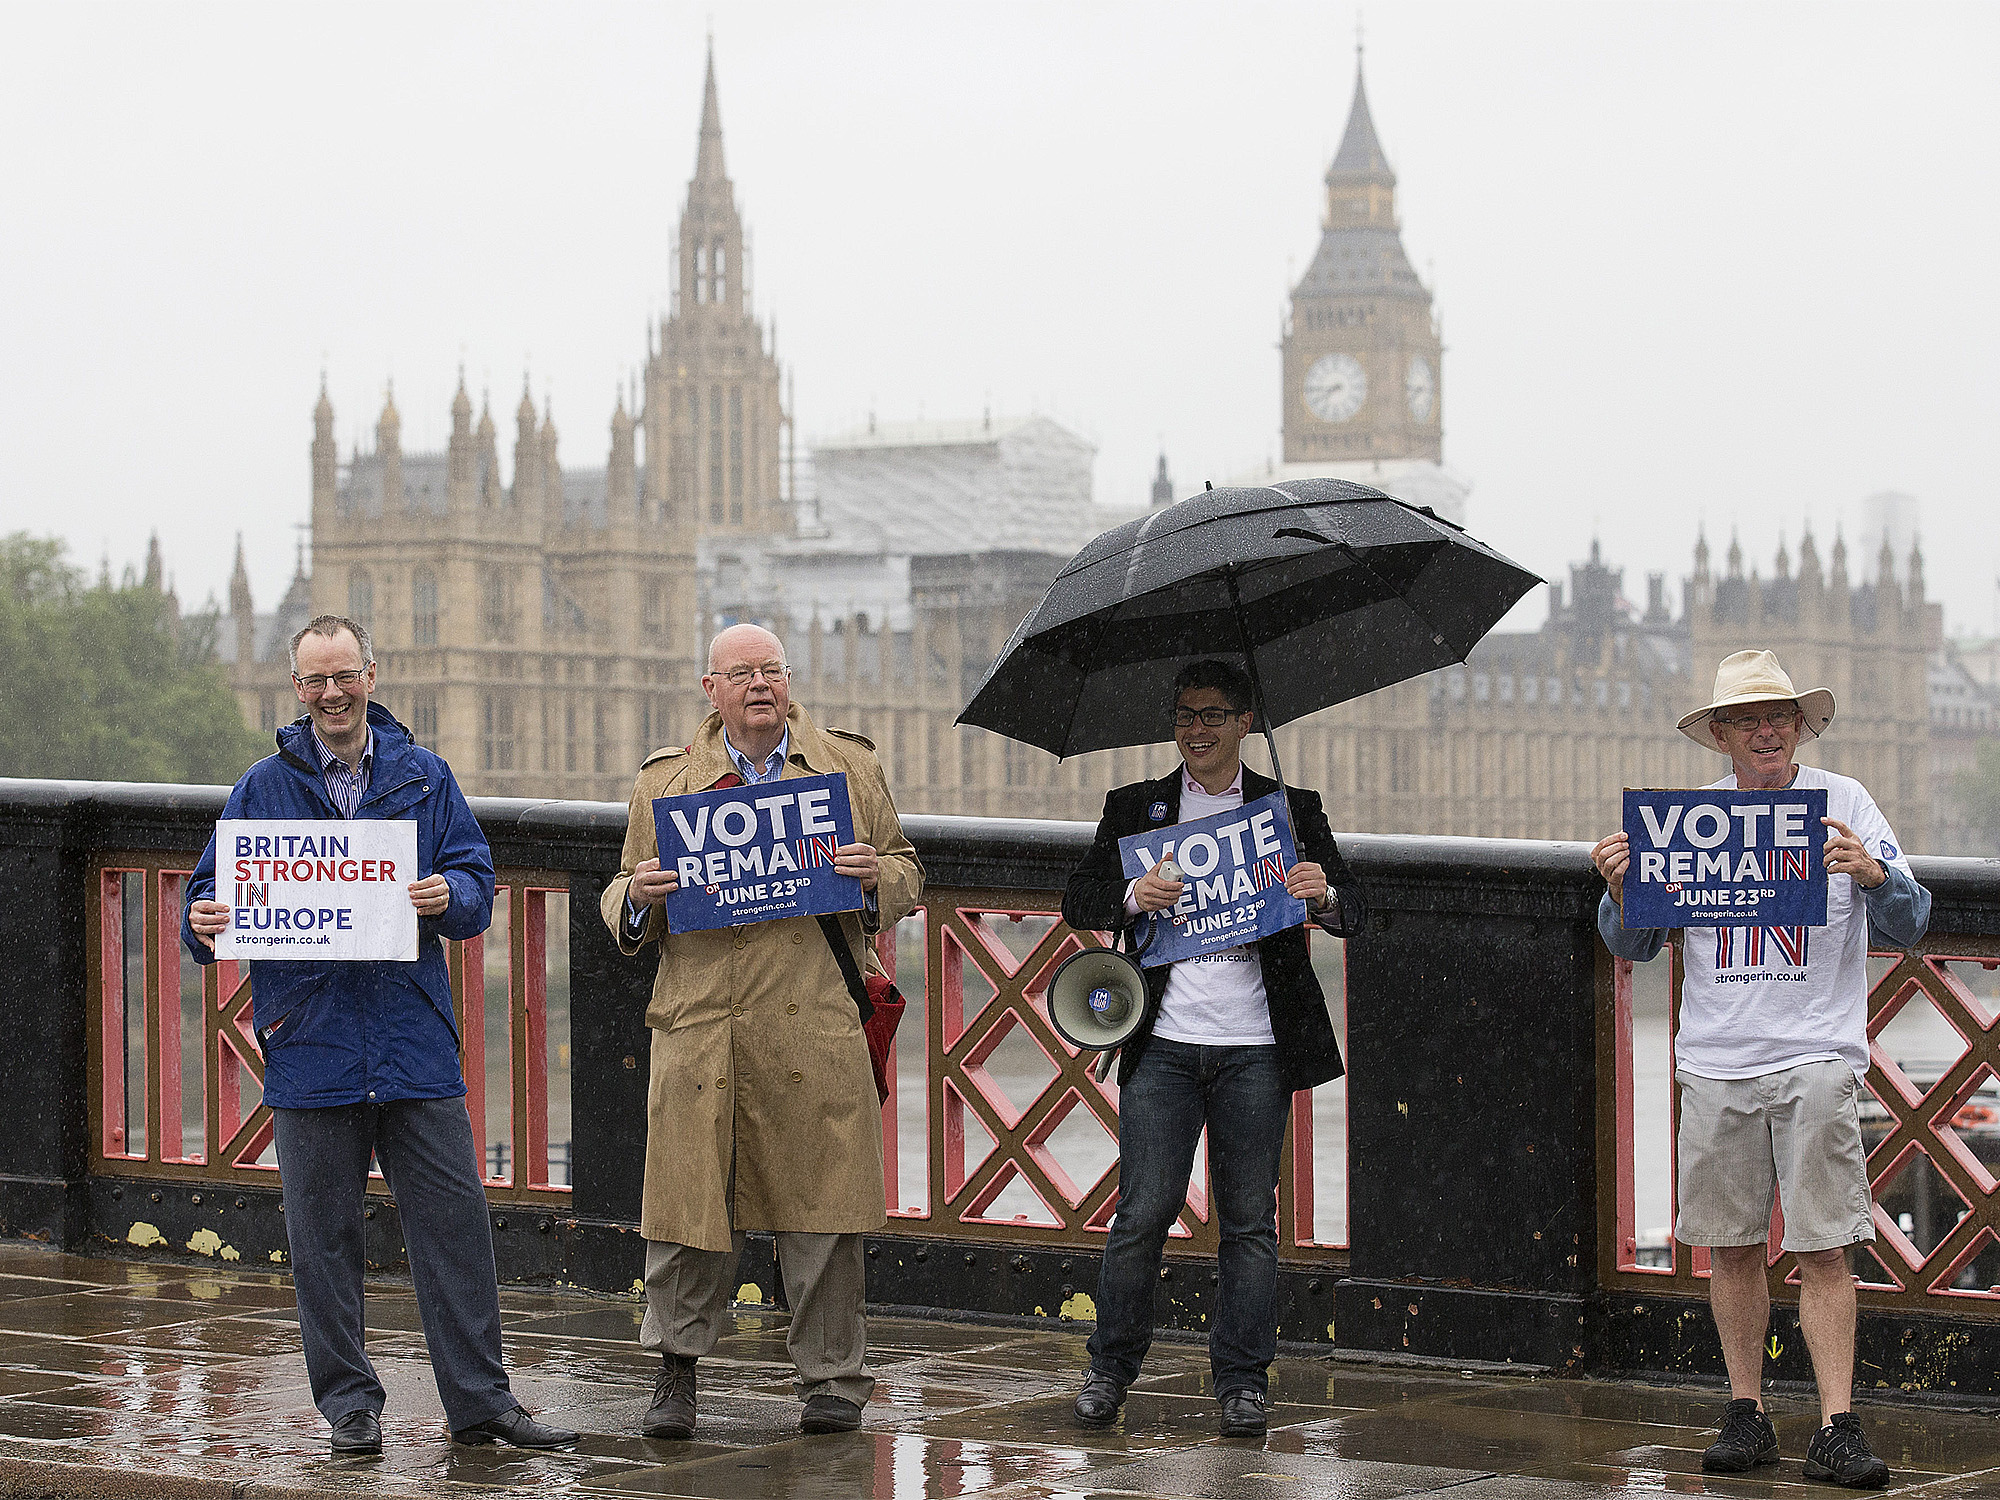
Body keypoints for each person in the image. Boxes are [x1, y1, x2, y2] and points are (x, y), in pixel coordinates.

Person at [182, 615, 575, 1456]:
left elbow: (475, 878)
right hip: (310, 1041)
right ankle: (350, 1407)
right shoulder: (261, 785)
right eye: (315, 680)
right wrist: (203, 918)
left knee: (456, 1231)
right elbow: (207, 899)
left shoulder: (425, 779)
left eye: (345, 676)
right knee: (323, 1242)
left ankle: (480, 1401)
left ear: (372, 675)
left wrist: (451, 898)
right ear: (296, 689)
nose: (332, 693)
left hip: (411, 1040)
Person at [1593, 649, 1929, 1490]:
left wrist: (1874, 872)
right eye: (1747, 719)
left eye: (1779, 715)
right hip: (1715, 1061)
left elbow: (1913, 919)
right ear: (1721, 736)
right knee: (1732, 1249)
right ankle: (1746, 1415)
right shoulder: (1684, 820)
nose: (1766, 731)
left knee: (1824, 1249)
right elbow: (1630, 944)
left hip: (1817, 1056)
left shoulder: (1844, 802)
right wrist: (1619, 889)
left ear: (1800, 726)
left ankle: (1837, 1425)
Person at [602, 623, 923, 1439]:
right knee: (686, 1212)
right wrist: (639, 894)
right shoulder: (667, 783)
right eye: (740, 673)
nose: (759, 686)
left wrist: (871, 878)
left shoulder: (848, 768)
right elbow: (619, 897)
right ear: (710, 689)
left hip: (811, 1015)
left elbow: (907, 869)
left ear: (789, 681)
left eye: (771, 671)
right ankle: (676, 1372)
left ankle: (834, 1379)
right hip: (702, 1023)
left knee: (823, 1213)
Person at [1060, 659, 1363, 1438]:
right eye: (1184, 714)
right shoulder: (1136, 807)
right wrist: (1134, 896)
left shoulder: (1291, 809)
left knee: (1249, 1224)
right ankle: (1109, 1369)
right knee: (1142, 1214)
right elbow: (1080, 899)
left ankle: (1242, 1382)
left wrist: (1319, 895)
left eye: (1212, 714)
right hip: (1162, 1043)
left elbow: (1353, 910)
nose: (1195, 729)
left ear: (1245, 723)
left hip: (1256, 1045)